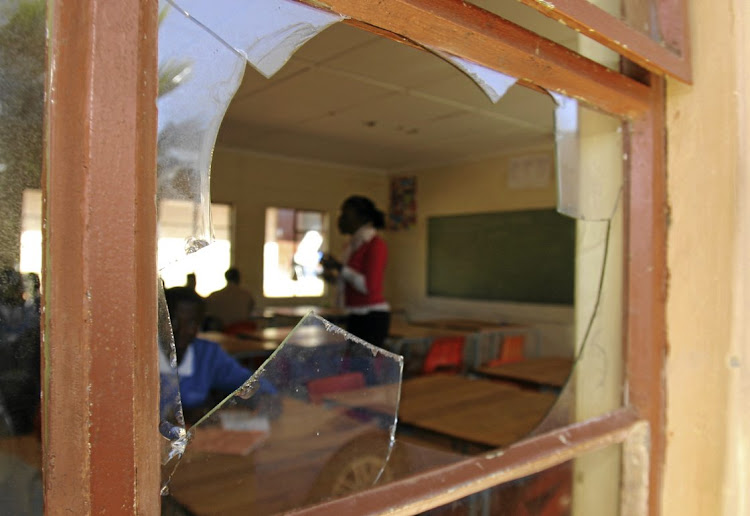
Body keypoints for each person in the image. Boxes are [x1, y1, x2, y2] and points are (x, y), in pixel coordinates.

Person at [161, 286, 276, 423]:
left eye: (191, 323)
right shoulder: (141, 356)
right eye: (172, 322)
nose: (182, 331)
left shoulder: (207, 355)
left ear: (200, 326)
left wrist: (265, 395)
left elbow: (249, 381)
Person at [320, 196, 390, 348]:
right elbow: (348, 282)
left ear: (361, 218)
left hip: (371, 317)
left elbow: (368, 286)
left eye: (345, 215)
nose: (340, 219)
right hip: (354, 314)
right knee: (353, 366)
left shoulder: (375, 245)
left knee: (364, 368)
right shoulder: (352, 246)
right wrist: (331, 275)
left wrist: (339, 267)